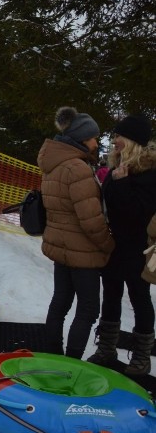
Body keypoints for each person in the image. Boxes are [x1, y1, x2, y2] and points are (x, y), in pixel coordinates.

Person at [38, 106, 115, 359]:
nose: (96, 142)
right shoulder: (77, 168)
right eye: (93, 137)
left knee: (60, 302)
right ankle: (72, 362)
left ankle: (52, 354)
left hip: (61, 246)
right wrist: (108, 244)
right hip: (82, 252)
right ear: (82, 138)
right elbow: (91, 220)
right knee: (88, 308)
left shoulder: (54, 164)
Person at [87, 115, 155, 375]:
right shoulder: (117, 166)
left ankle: (141, 358)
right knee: (111, 297)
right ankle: (106, 349)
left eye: (120, 137)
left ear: (134, 141)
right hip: (114, 245)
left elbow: (138, 213)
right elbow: (109, 206)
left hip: (138, 248)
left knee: (140, 300)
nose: (114, 141)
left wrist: (123, 183)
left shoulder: (150, 172)